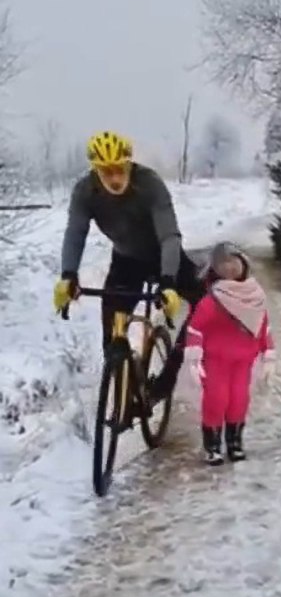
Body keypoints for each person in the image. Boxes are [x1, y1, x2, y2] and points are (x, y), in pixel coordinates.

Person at [53, 130, 204, 407]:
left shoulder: (149, 184)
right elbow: (75, 233)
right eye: (105, 171)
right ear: (95, 170)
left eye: (119, 170)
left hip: (164, 257)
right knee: (111, 328)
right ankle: (121, 372)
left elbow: (169, 235)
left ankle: (163, 383)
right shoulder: (85, 191)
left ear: (129, 164)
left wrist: (168, 281)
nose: (114, 178)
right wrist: (68, 275)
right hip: (127, 260)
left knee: (205, 305)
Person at [184, 242, 275, 464]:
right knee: (216, 399)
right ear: (215, 269)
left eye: (234, 260)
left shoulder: (255, 296)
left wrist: (269, 352)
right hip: (216, 360)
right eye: (223, 263)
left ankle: (235, 441)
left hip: (243, 361)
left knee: (239, 399)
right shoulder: (213, 300)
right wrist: (194, 357)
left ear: (243, 262)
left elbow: (263, 326)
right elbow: (196, 327)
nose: (230, 267)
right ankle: (212, 444)